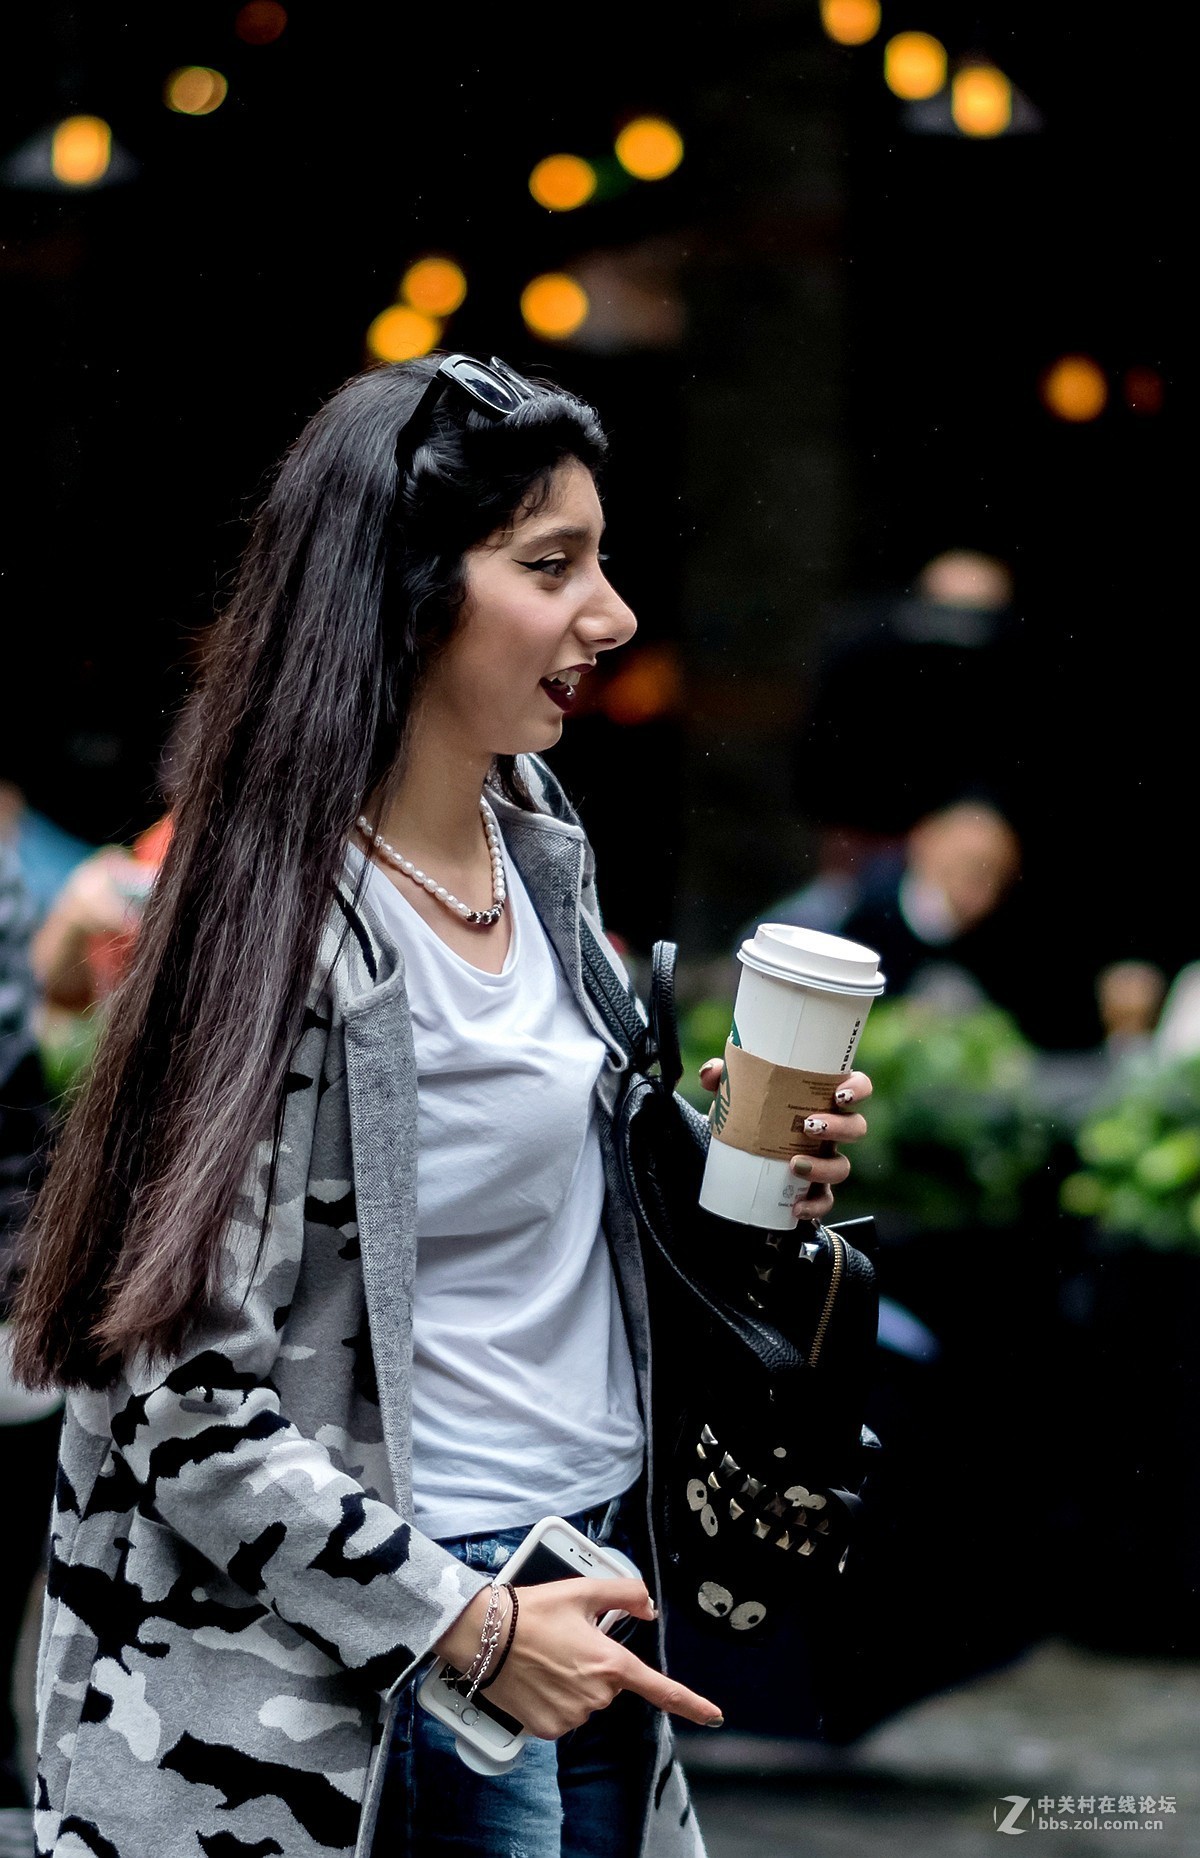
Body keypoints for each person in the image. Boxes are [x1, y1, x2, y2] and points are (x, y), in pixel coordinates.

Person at [9, 353, 871, 1858]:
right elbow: (172, 1392)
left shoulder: (538, 843)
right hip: (378, 1674)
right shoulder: (271, 921)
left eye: (601, 561)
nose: (611, 615)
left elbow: (523, 1210)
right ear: (403, 590)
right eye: (554, 565)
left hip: (593, 1577)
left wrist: (727, 1172)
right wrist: (465, 1623)